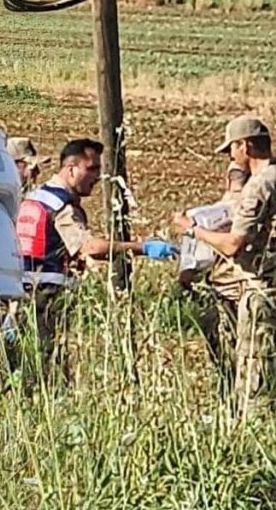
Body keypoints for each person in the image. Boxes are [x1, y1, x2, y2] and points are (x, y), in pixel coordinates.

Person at [13, 137, 176, 390]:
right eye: (91, 169)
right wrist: (142, 247)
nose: (98, 177)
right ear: (70, 169)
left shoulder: (34, 198)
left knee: (23, 364)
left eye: (99, 169)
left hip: (21, 292)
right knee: (48, 373)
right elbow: (89, 247)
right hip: (45, 297)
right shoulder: (61, 207)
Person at [172, 116, 276, 419]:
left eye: (232, 149)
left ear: (245, 145)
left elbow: (234, 244)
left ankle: (255, 446)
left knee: (256, 377)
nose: (232, 156)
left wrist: (193, 229)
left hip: (263, 291)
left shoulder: (261, 185)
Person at [177, 161, 251, 400]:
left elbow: (190, 272)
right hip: (261, 298)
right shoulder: (263, 211)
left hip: (225, 298)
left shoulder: (203, 217)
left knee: (227, 364)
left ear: (228, 181)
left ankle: (231, 408)